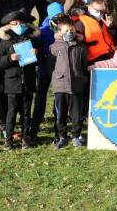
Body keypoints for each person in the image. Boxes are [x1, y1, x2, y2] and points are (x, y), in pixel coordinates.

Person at [0, 11, 41, 150]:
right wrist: (10, 58)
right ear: (9, 26)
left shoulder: (31, 40)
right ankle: (8, 140)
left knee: (26, 112)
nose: (18, 25)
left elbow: (40, 61)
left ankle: (25, 138)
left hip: (28, 81)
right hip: (12, 82)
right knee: (11, 112)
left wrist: (37, 55)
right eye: (14, 23)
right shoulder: (5, 41)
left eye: (20, 23)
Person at [32, 2, 69, 141]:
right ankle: (33, 131)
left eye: (61, 16)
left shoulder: (66, 28)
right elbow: (35, 48)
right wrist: (40, 55)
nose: (59, 19)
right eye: (57, 16)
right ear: (51, 16)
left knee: (58, 101)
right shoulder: (42, 30)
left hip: (60, 69)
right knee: (40, 99)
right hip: (44, 68)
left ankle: (58, 132)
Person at [48, 19, 88, 149]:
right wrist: (56, 79)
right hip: (60, 85)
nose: (69, 32)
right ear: (60, 32)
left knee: (76, 113)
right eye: (66, 30)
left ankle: (76, 135)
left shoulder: (81, 48)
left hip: (76, 86)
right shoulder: (54, 47)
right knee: (61, 113)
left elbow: (83, 66)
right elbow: (50, 66)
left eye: (72, 30)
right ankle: (62, 136)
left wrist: (82, 78)